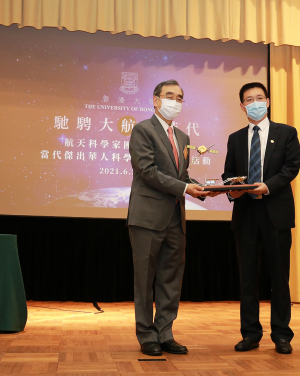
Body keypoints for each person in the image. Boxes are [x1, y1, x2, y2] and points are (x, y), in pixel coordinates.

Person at [222, 82, 300, 354]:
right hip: (246, 214)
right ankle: (250, 333)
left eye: (259, 98)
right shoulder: (235, 138)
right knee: (248, 279)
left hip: (276, 212)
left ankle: (282, 334)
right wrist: (233, 188)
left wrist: (267, 185)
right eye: (248, 99)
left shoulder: (286, 133)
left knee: (279, 277)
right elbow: (228, 174)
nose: (254, 102)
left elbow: (292, 167)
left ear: (267, 102)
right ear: (242, 106)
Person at [127, 79, 206, 356]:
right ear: (156, 100)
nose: (175, 101)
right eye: (169, 95)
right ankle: (146, 335)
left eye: (180, 97)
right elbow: (147, 171)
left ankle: (165, 332)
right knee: (145, 279)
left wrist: (203, 187)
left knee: (171, 278)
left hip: (175, 216)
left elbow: (180, 177)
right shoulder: (142, 130)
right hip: (147, 216)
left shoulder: (183, 137)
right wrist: (185, 187)